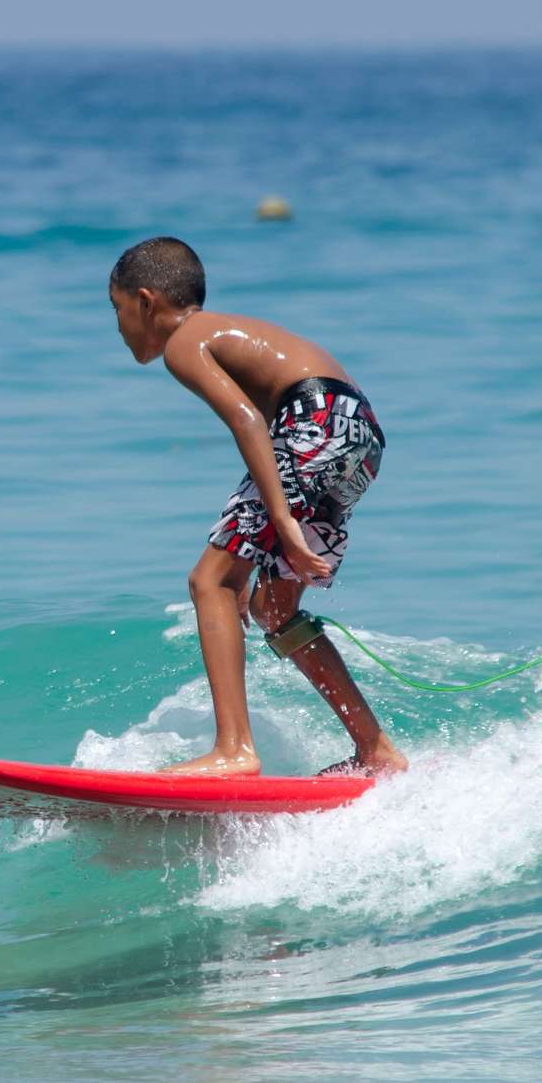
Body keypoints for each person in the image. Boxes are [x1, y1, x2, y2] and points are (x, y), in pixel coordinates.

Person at [108, 236, 408, 778]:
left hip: (314, 423)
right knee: (274, 610)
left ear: (146, 302)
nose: (119, 326)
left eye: (118, 309)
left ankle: (234, 750)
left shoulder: (185, 341)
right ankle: (376, 750)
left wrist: (282, 522)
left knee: (210, 582)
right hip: (358, 435)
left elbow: (247, 422)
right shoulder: (223, 330)